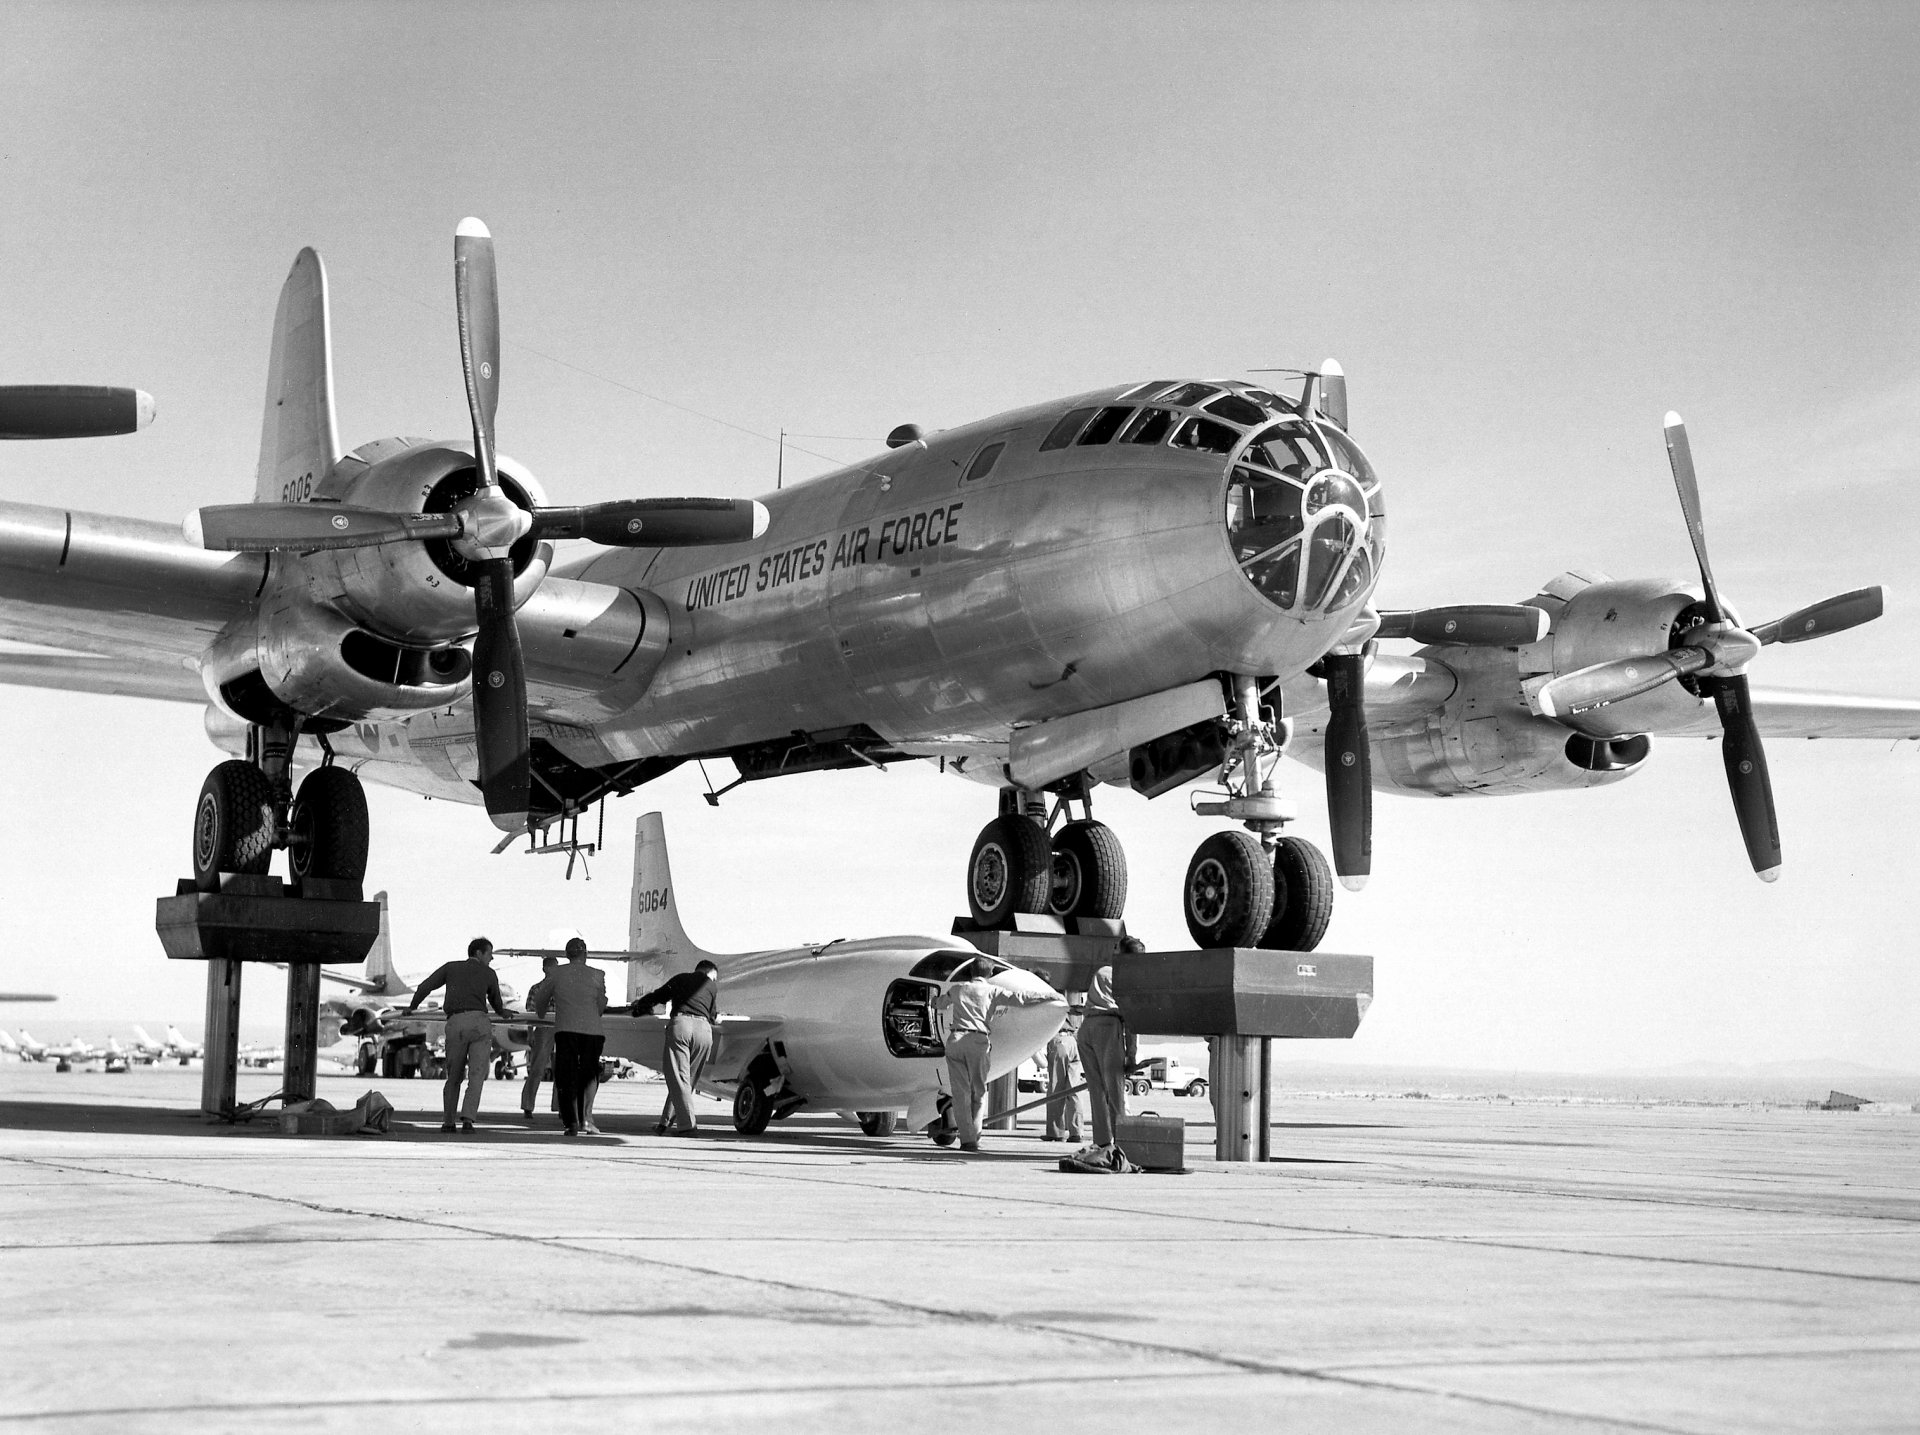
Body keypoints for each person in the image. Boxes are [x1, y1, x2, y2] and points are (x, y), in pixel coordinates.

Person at [933, 960, 1058, 1152]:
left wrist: (933, 1001)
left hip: (956, 1040)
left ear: (972, 971)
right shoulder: (992, 991)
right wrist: (1048, 996)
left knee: (960, 1094)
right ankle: (974, 1137)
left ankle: (967, 1139)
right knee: (978, 1092)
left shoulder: (957, 989)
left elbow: (939, 1003)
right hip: (978, 1042)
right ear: (989, 973)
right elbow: (1021, 998)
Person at [404, 937, 512, 1132]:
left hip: (455, 1024)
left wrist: (411, 1007)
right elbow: (497, 1003)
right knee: (477, 1075)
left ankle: (448, 1122)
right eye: (490, 953)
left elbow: (424, 987)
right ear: (479, 953)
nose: (492, 958)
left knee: (453, 1076)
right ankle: (469, 1120)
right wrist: (504, 1013)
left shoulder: (450, 968)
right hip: (479, 1023)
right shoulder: (489, 973)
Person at [632, 960, 718, 1135]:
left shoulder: (680, 979)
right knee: (686, 1082)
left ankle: (688, 1126)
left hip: (682, 1026)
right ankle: (665, 1123)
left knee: (679, 1079)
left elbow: (657, 996)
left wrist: (639, 1007)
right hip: (704, 1032)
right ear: (709, 973)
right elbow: (713, 1016)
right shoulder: (711, 987)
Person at [534, 938, 609, 1136]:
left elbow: (540, 998)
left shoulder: (557, 973)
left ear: (567, 955)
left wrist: (541, 1013)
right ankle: (587, 1118)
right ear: (585, 954)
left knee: (565, 1076)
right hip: (593, 1031)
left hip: (566, 1030)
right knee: (589, 1075)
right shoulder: (597, 975)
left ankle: (571, 1123)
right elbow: (601, 1005)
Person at [1074, 954, 1130, 1169]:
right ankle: (1122, 1142)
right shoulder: (1125, 977)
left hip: (1087, 1026)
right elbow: (1128, 1012)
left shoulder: (1102, 970)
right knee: (1114, 1088)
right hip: (1108, 1024)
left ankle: (1103, 1142)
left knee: (1096, 1090)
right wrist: (1132, 1053)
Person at [520, 956, 559, 1121]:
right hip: (543, 1029)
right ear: (544, 969)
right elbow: (530, 1013)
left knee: (562, 1070)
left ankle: (561, 1107)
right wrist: (530, 1033)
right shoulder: (536, 988)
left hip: (561, 1028)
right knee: (536, 1069)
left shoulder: (563, 988)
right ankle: (528, 1106)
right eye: (551, 967)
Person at [1043, 1003, 1085, 1142]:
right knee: (1074, 1090)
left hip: (1059, 1041)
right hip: (1073, 1041)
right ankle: (1076, 1132)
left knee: (1056, 1088)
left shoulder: (1049, 1002)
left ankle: (1056, 1132)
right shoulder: (1067, 1005)